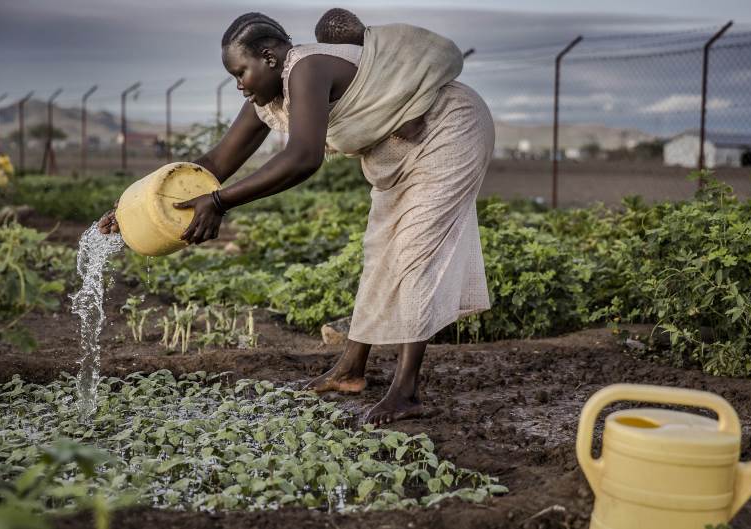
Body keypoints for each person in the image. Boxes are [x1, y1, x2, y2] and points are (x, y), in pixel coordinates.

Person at [98, 11, 494, 426]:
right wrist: (135, 211)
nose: (239, 85)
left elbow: (303, 158)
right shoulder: (268, 100)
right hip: (399, 150)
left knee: (415, 250)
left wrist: (219, 202)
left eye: (241, 72)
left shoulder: (307, 68)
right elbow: (214, 163)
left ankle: (405, 391)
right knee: (381, 249)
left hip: (449, 129)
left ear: (269, 57)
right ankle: (350, 371)